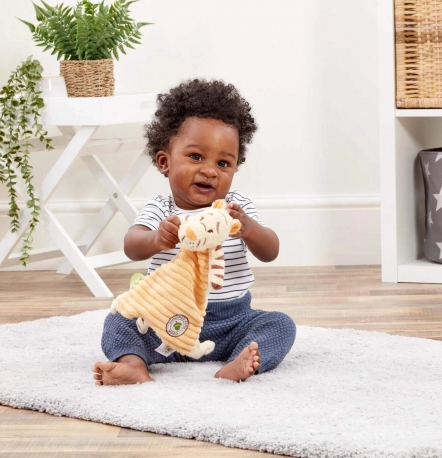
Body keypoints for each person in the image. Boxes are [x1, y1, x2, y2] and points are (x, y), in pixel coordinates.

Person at [93, 79, 296, 385]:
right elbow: (131, 246)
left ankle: (239, 361)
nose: (210, 170)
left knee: (280, 324)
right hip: (166, 321)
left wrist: (249, 229)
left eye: (223, 162)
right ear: (165, 162)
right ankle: (134, 365)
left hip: (231, 323)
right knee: (119, 322)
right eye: (196, 157)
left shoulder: (235, 208)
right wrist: (157, 239)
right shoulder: (162, 210)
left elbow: (271, 251)